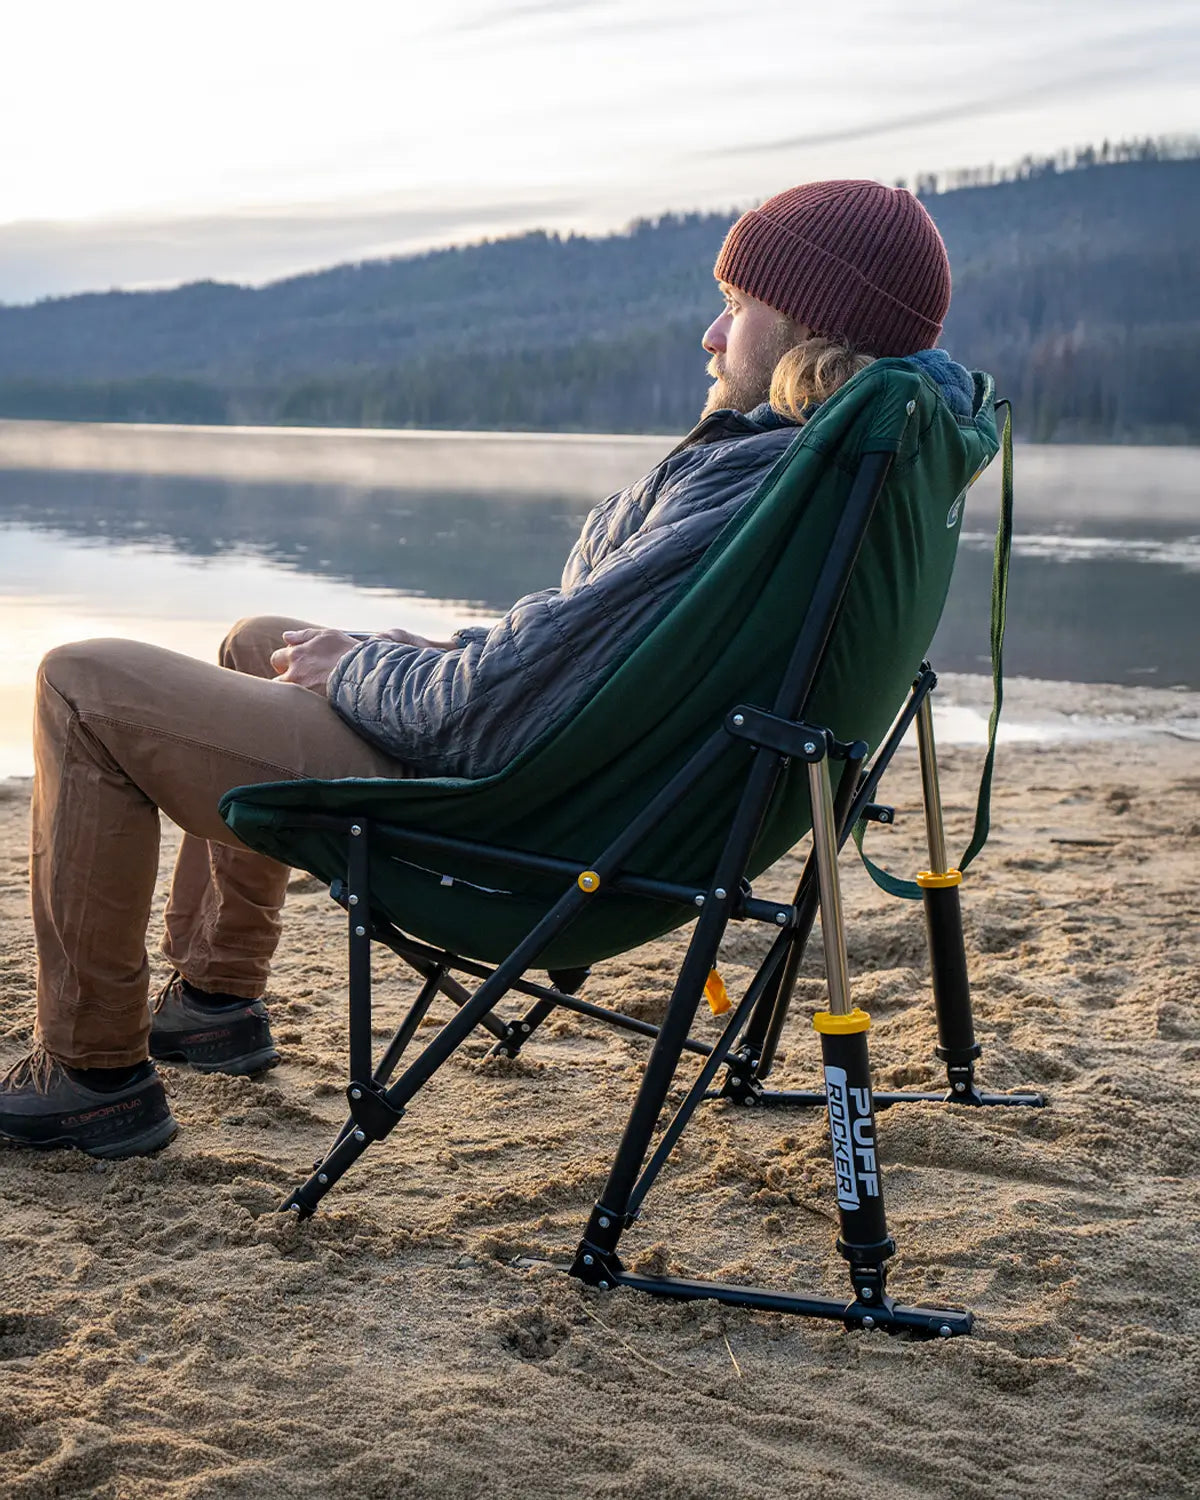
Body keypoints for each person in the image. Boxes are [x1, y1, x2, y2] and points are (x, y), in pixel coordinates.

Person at [0, 180, 975, 1158]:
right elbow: (569, 662)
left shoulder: (751, 488)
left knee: (79, 685)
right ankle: (216, 1000)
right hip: (577, 789)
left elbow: (479, 716)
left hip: (496, 814)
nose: (712, 338)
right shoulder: (826, 476)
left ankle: (89, 1075)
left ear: (810, 327)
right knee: (263, 638)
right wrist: (383, 658)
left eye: (735, 307)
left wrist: (357, 669)